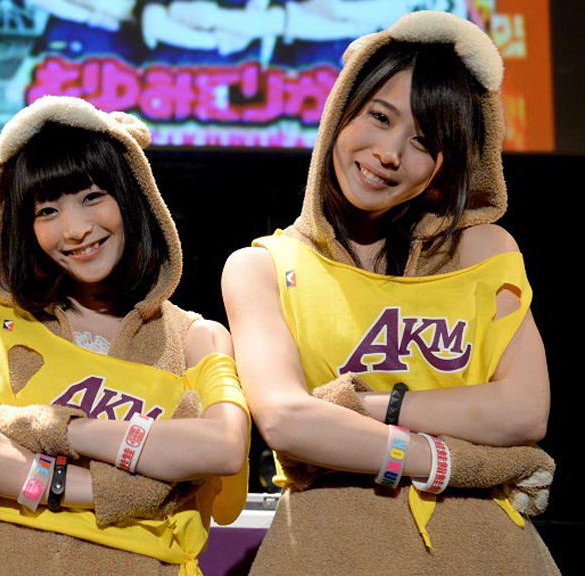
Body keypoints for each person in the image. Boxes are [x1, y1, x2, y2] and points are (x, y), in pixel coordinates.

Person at [221, 11, 557, 573]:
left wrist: (368, 407)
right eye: (379, 117)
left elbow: (525, 412)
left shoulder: (484, 250)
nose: (389, 152)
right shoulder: (262, 267)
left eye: (424, 141)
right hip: (326, 551)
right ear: (341, 112)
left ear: (445, 167)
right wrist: (438, 458)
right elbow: (286, 420)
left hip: (487, 552)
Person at [0, 96, 250, 575]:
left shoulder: (197, 338)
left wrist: (60, 432)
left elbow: (222, 448)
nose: (76, 230)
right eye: (47, 211)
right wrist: (107, 486)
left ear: (133, 197)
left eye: (92, 197)